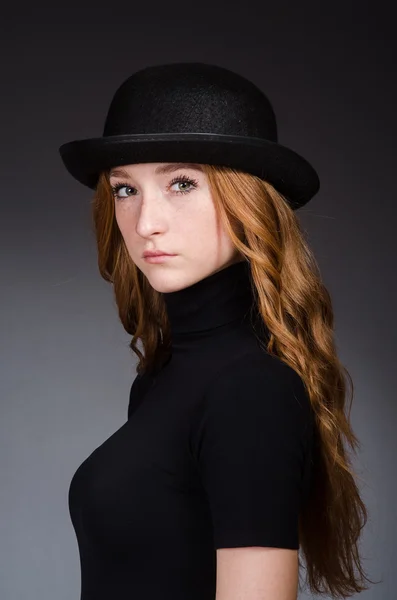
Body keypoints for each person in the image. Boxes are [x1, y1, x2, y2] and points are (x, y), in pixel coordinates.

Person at [59, 62, 374, 600]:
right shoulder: (161, 377)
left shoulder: (251, 391)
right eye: (124, 189)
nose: (145, 222)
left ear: (248, 200)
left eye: (181, 183)